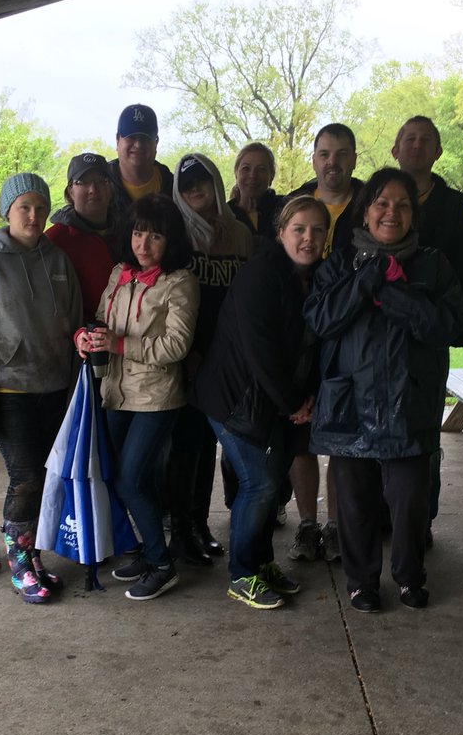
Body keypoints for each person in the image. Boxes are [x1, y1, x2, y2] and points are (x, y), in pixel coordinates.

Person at [304, 168, 463, 613]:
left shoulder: (434, 265)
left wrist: (393, 293)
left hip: (409, 401)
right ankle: (361, 582)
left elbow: (449, 326)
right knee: (354, 502)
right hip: (349, 402)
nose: (391, 212)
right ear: (366, 209)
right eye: (381, 202)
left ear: (414, 214)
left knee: (409, 500)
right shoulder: (339, 263)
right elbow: (321, 319)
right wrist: (366, 278)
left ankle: (410, 576)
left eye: (402, 204)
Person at [192, 197, 328, 610]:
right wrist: (293, 403)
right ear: (281, 232)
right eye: (299, 229)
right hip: (234, 398)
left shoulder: (314, 277)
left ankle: (262, 562)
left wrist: (304, 400)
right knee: (260, 483)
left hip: (274, 400)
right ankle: (241, 574)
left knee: (271, 485)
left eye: (317, 230)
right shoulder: (262, 275)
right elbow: (261, 352)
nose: (308, 238)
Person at [0, 172, 83, 603]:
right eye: (24, 207)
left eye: (41, 208)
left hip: (54, 388)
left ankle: (35, 558)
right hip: (10, 391)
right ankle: (19, 565)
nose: (34, 216)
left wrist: (72, 389)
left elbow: (73, 323)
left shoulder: (58, 259)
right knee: (26, 477)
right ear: (6, 210)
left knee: (46, 477)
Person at [76, 195, 198, 602]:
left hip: (155, 397)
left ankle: (163, 565)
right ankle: (150, 552)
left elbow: (176, 345)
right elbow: (100, 317)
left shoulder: (179, 281)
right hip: (114, 391)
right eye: (138, 232)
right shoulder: (119, 272)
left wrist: (120, 344)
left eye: (155, 235)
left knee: (131, 479)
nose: (143, 243)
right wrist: (87, 337)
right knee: (123, 477)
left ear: (171, 240)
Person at [391, 114, 463, 539]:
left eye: (426, 139)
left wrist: (461, 329)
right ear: (395, 149)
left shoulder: (453, 205)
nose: (417, 145)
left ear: (438, 151)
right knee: (382, 426)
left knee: (425, 429)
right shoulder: (380, 197)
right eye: (409, 138)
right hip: (384, 336)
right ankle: (383, 514)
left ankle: (420, 518)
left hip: (430, 336)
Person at [169, 153, 254, 565]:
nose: (195, 190)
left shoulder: (239, 234)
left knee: (213, 447)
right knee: (187, 448)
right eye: (187, 186)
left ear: (217, 184)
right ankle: (181, 530)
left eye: (202, 182)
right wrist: (186, 354)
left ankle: (201, 525)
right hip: (187, 355)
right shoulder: (176, 234)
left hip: (227, 359)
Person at [287, 123, 365, 563]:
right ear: (313, 159)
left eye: (341, 153)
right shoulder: (296, 204)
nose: (332, 162)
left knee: (337, 434)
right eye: (324, 154)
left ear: (353, 158)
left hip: (347, 339)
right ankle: (307, 524)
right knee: (300, 434)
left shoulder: (369, 206)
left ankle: (335, 527)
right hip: (302, 334)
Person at [45, 152, 117, 323]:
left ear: (111, 189)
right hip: (82, 340)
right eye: (83, 182)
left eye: (101, 181)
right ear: (70, 191)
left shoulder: (130, 232)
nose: (93, 189)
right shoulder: (54, 240)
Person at [107, 104, 174, 215]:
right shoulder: (99, 184)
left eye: (145, 138)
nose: (138, 144)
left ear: (156, 142)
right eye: (131, 137)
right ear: (117, 140)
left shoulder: (174, 188)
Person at [227, 142, 283, 242]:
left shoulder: (285, 208)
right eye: (246, 168)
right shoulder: (225, 215)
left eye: (261, 169)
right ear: (236, 173)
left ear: (272, 175)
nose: (253, 175)